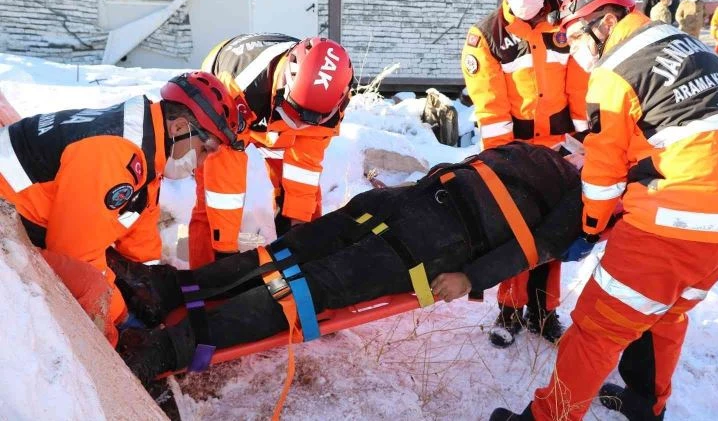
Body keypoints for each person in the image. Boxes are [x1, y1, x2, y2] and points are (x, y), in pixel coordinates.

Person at [491, 0, 718, 421]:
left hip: (675, 220)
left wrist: (589, 227)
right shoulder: (687, 46)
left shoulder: (615, 70)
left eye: (577, 36)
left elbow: (601, 178)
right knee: (664, 314)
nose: (574, 49)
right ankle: (645, 404)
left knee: (596, 328)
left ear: (605, 22)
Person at [114, 142, 586, 383]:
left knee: (302, 289)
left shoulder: (583, 198)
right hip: (411, 201)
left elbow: (535, 251)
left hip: (432, 245)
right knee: (286, 252)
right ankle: (169, 290)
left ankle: (168, 349)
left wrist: (471, 278)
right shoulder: (550, 155)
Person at [0, 72, 244, 345]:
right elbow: (76, 254)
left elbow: (138, 217)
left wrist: (150, 274)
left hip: (23, 215)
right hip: (7, 229)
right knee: (93, 291)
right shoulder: (114, 155)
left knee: (114, 269)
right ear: (179, 128)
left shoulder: (146, 136)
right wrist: (124, 318)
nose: (200, 163)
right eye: (204, 150)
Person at [461, 0, 589, 348]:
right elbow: (492, 112)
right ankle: (509, 311)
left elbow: (581, 94)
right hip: (514, 155)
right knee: (515, 231)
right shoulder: (487, 37)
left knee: (556, 232)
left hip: (561, 152)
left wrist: (585, 146)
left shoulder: (568, 29)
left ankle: (543, 312)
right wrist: (503, 168)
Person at [188, 34, 354, 268]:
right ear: (285, 86)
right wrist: (225, 253)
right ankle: (205, 280)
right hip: (227, 101)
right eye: (296, 115)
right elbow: (224, 183)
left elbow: (304, 167)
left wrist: (298, 229)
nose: (301, 126)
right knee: (212, 201)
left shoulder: (331, 102)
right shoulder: (237, 86)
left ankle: (309, 269)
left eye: (310, 121)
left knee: (303, 204)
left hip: (272, 109)